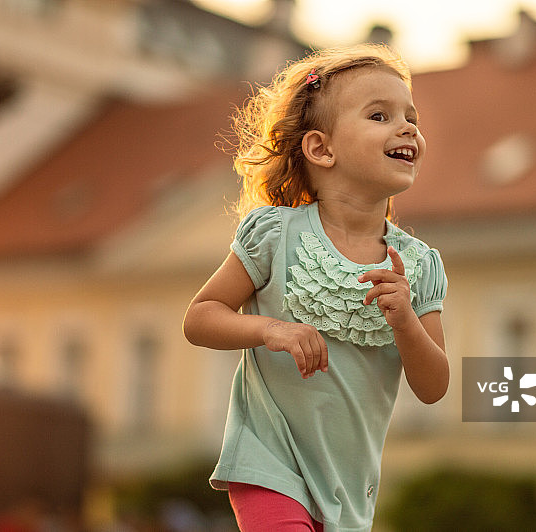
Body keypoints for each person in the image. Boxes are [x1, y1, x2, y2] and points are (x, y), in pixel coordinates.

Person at [182, 43, 448, 532]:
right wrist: (269, 330)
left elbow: (434, 387)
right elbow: (200, 317)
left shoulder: (419, 265)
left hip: (350, 481)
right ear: (321, 149)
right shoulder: (274, 235)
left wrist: (407, 321)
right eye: (379, 115)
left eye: (411, 116)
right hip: (269, 460)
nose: (407, 127)